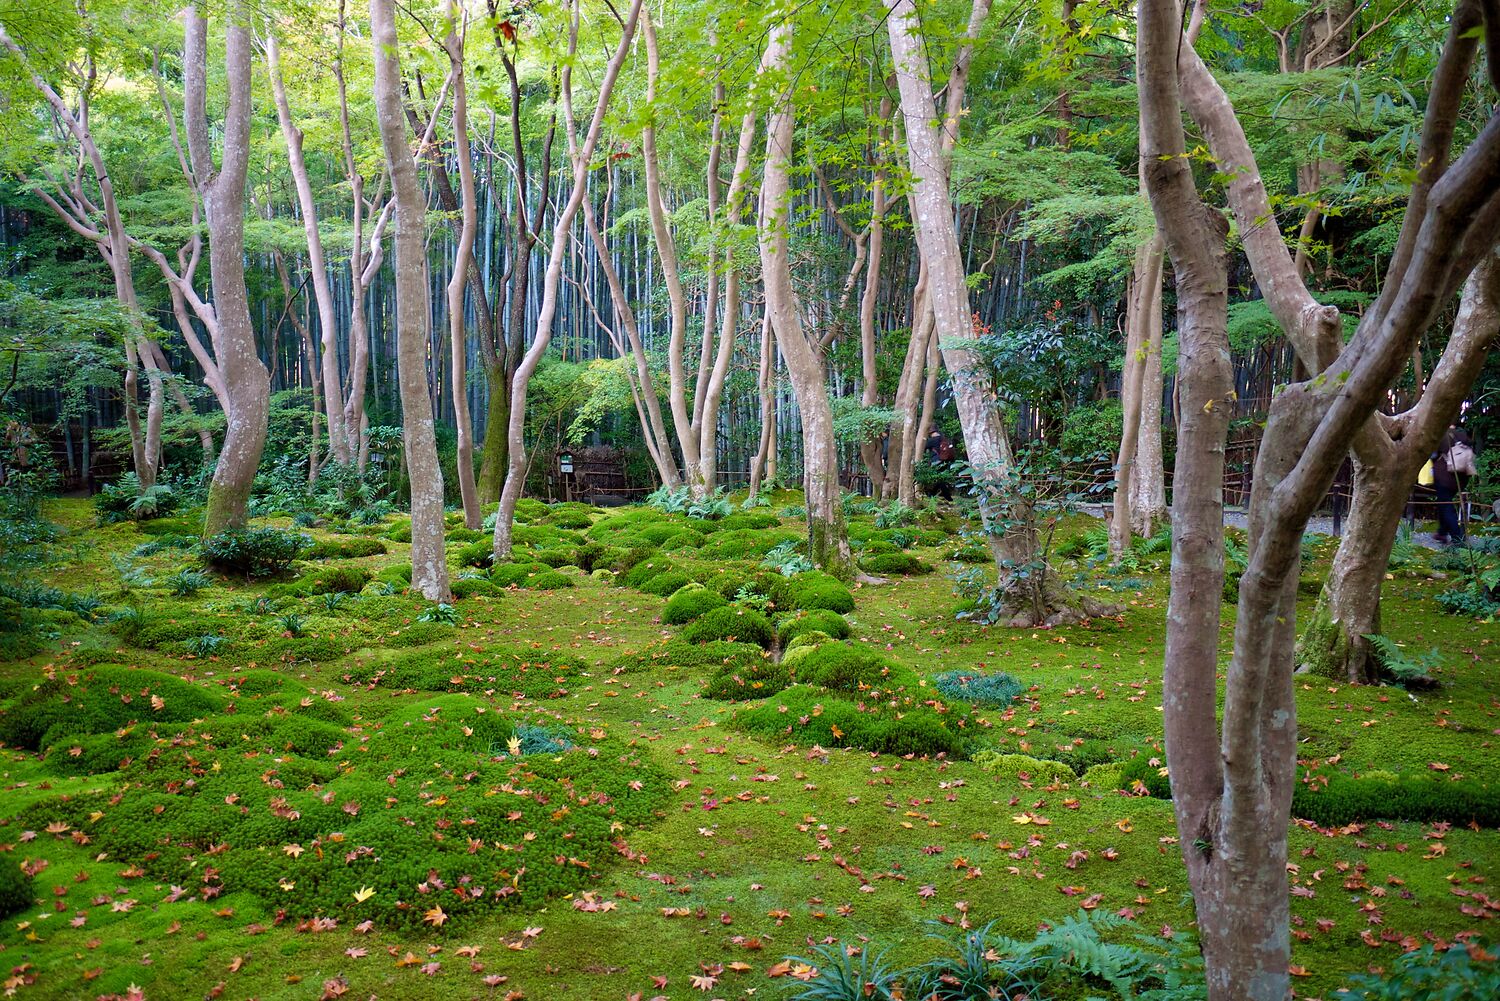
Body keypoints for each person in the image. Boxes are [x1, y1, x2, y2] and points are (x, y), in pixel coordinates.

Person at [1432, 424, 1475, 545]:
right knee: (1445, 503)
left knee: (1446, 506)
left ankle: (1457, 537)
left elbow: (1433, 455)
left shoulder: (1441, 435)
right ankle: (1442, 532)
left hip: (1444, 476)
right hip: (1462, 478)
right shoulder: (1461, 435)